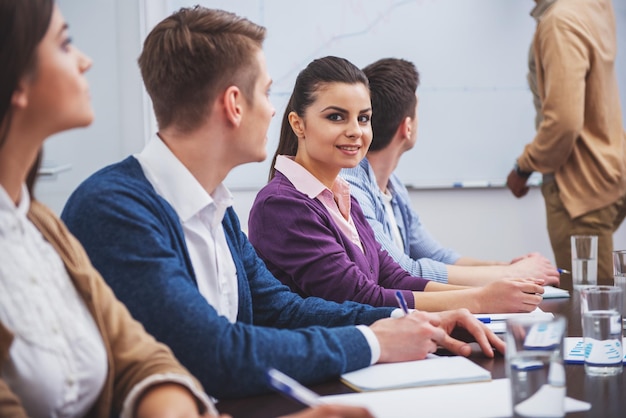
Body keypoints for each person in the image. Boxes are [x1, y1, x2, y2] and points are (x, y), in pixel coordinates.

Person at [60, 6, 505, 401]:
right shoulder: (116, 209)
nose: (273, 112)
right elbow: (216, 351)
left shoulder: (218, 210)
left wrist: (401, 321)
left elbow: (284, 309)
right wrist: (373, 342)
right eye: (266, 93)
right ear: (235, 104)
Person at [0, 1, 218, 416]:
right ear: (14, 78)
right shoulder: (110, 202)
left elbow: (140, 358)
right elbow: (209, 348)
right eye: (66, 44)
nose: (85, 61)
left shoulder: (40, 225)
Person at [247, 56, 545, 313]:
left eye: (363, 118)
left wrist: (490, 292)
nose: (355, 131)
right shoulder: (284, 204)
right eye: (336, 117)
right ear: (298, 124)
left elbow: (394, 277)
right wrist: (479, 300)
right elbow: (359, 296)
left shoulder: (340, 194)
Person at [340, 58, 560, 287]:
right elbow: (403, 270)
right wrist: (513, 275)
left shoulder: (393, 185)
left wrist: (509, 268)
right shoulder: (350, 187)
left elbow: (437, 256)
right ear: (407, 127)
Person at [507, 0, 626, 282]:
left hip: (580, 187)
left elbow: (564, 123)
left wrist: (522, 168)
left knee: (591, 308)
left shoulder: (560, 21)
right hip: (607, 173)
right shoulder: (594, 4)